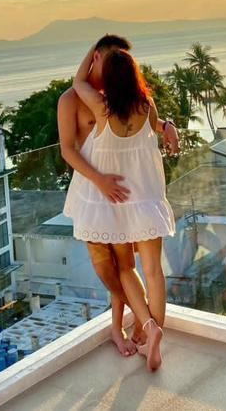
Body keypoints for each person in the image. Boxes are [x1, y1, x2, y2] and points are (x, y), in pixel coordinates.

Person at [58, 35, 179, 358]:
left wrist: (167, 125)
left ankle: (143, 327)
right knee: (133, 270)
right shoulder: (139, 104)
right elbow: (68, 148)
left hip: (120, 199)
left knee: (126, 268)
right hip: (124, 197)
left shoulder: (105, 105)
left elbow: (80, 81)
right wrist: (99, 180)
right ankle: (149, 328)